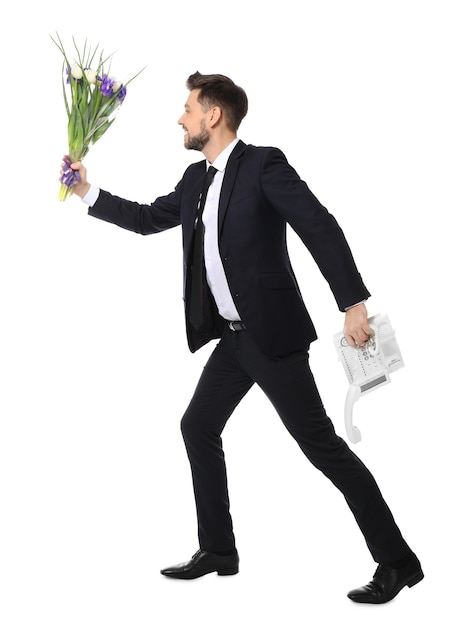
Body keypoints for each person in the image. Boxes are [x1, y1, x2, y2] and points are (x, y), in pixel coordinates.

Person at [62, 71, 423, 603]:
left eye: (187, 108)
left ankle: (397, 561)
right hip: (232, 340)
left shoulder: (263, 165)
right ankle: (219, 549)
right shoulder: (195, 180)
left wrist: (353, 304)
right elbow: (144, 220)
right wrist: (85, 190)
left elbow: (318, 225)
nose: (180, 118)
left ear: (213, 115)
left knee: (321, 448)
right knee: (197, 425)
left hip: (272, 337)